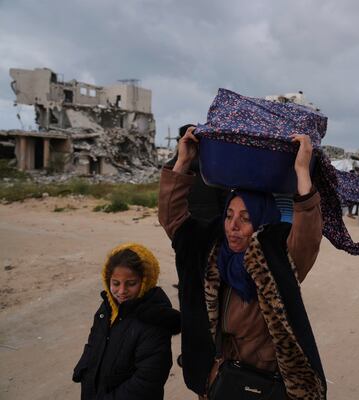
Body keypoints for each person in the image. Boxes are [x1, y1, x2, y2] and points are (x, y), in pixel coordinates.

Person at [158, 127, 327, 399]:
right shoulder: (212, 252)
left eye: (246, 218)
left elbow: (307, 235)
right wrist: (183, 163)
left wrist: (302, 171)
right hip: (217, 380)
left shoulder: (276, 259)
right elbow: (174, 220)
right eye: (229, 215)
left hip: (260, 384)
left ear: (261, 221)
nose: (233, 227)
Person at [73, 243, 181, 400]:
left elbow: (147, 381)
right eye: (115, 283)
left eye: (131, 284)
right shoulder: (107, 308)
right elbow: (93, 343)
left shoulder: (155, 320)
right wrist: (83, 372)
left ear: (146, 282)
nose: (121, 291)